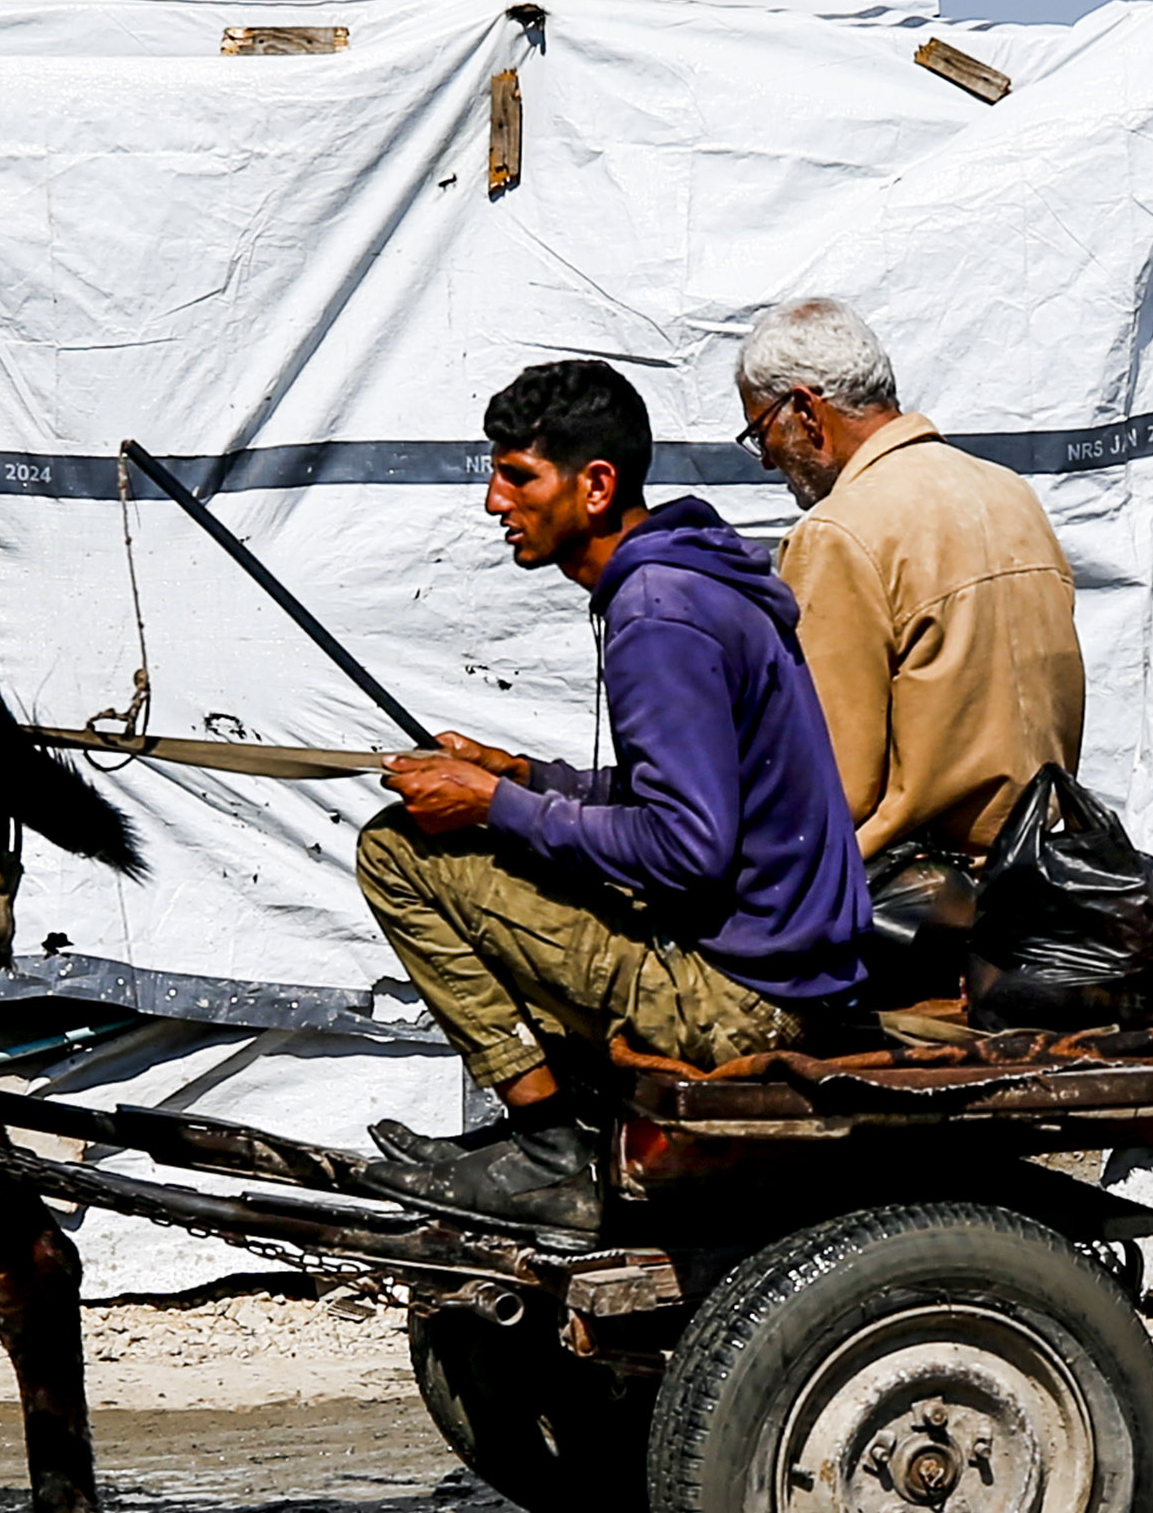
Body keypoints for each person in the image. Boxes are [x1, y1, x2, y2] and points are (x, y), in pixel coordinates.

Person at [353, 358, 872, 1233]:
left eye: (517, 477)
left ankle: (548, 1143)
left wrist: (491, 806)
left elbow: (686, 846)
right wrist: (523, 776)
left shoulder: (655, 614)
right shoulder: (689, 585)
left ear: (595, 485)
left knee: (397, 851)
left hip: (743, 999)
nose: (493, 503)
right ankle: (556, 1132)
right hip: (786, 970)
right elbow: (678, 794)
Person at [735, 297, 1086, 871]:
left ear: (804, 410)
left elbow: (837, 785)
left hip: (915, 901)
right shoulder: (1010, 493)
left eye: (761, 430)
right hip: (1040, 871)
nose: (769, 461)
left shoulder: (838, 532)